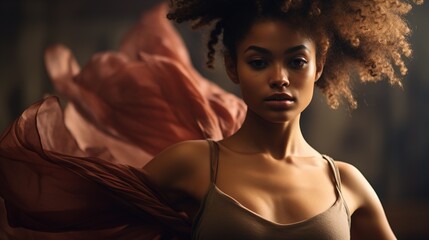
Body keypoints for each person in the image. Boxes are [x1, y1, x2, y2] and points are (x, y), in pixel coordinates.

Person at [0, 0, 423, 239]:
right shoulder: (193, 164)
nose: (279, 78)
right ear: (234, 67)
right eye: (259, 62)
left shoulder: (346, 185)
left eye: (296, 61)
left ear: (319, 65)